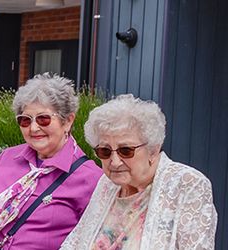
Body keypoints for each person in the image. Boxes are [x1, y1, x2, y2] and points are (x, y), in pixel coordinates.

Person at [0, 74, 102, 249]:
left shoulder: (90, 177)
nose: (34, 128)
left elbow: (92, 239)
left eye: (43, 119)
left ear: (68, 121)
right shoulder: (8, 157)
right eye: (25, 120)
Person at [61, 95, 217, 249]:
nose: (114, 162)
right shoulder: (107, 184)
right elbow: (74, 243)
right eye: (105, 151)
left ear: (153, 150)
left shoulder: (188, 184)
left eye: (126, 150)